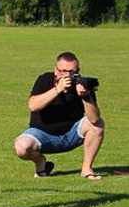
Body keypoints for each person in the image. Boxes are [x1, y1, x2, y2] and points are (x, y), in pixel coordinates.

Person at [14, 51, 105, 180]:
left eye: (72, 72)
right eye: (63, 71)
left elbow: (94, 119)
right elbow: (33, 105)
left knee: (98, 125)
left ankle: (86, 169)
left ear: (78, 71)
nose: (68, 75)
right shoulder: (45, 80)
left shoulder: (82, 84)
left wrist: (85, 96)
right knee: (21, 147)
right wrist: (58, 89)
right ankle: (41, 163)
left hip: (71, 134)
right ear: (55, 71)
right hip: (42, 134)